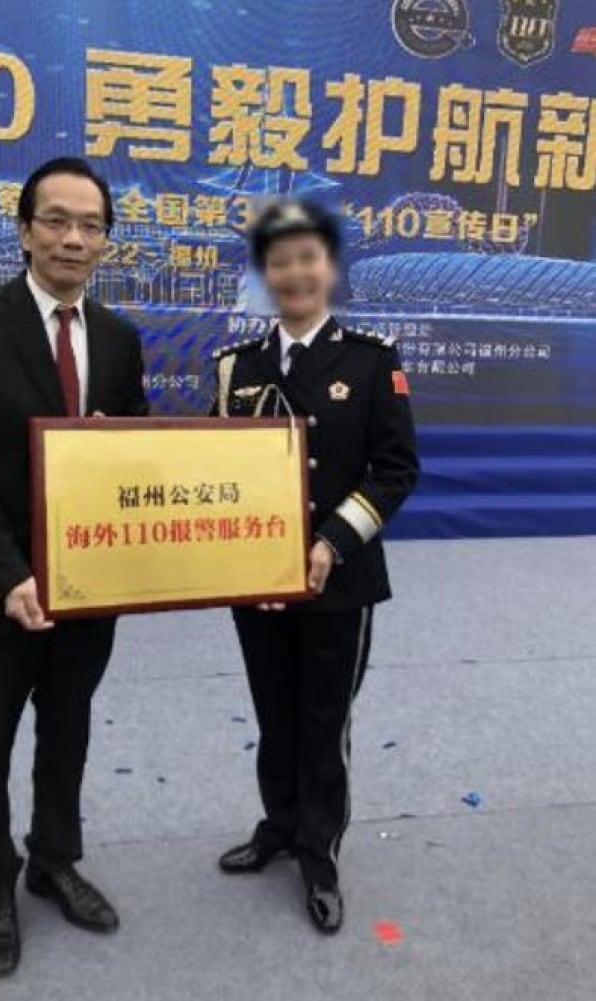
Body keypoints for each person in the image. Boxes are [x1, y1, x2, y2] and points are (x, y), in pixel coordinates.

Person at [0, 157, 148, 976]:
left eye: (90, 225)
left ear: (105, 243)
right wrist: (8, 572)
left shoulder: (121, 339)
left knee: (68, 728)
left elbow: (137, 455)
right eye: (56, 220)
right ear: (24, 231)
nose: (73, 238)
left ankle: (55, 859)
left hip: (89, 588)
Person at [212, 198, 419, 934]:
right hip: (257, 586)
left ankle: (319, 847)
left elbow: (395, 469)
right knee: (274, 712)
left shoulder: (370, 360)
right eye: (279, 261)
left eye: (308, 259)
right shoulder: (236, 369)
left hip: (340, 577)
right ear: (265, 275)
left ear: (330, 270)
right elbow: (216, 473)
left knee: (323, 719)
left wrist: (329, 539)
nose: (294, 273)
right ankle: (278, 823)